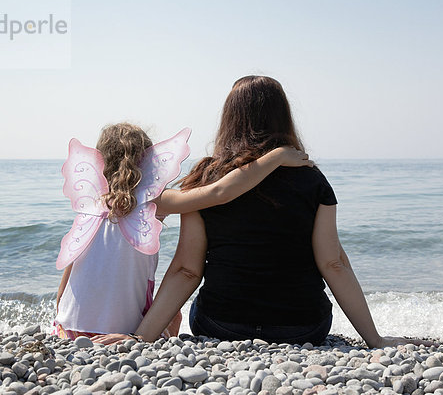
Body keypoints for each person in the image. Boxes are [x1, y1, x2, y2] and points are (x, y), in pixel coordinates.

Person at [132, 76, 433, 348]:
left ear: (229, 119)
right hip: (302, 327)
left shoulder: (206, 178)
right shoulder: (311, 179)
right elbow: (334, 263)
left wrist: (141, 338)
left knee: (201, 305)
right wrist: (375, 339)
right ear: (284, 117)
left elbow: (187, 270)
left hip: (221, 324)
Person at [54, 122, 313, 342]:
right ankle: (144, 340)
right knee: (173, 315)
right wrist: (276, 157)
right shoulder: (152, 202)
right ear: (148, 161)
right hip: (120, 334)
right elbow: (219, 193)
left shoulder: (91, 204)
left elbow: (72, 261)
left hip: (67, 328)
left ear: (101, 161)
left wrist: (60, 318)